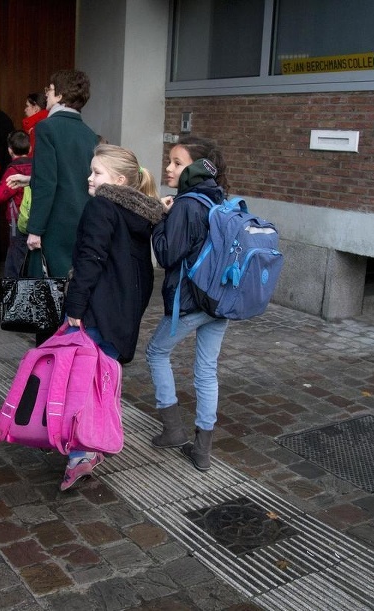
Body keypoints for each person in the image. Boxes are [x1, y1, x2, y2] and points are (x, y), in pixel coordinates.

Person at [59, 144, 163, 491]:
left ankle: (81, 453)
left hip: (97, 309)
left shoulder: (102, 205)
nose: (90, 178)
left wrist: (74, 307)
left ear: (118, 180)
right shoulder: (139, 214)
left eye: (97, 172)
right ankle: (93, 441)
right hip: (122, 310)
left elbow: (91, 259)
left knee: (82, 382)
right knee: (101, 381)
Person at [146, 136, 231, 472]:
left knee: (156, 351)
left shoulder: (186, 204)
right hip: (219, 301)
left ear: (195, 167)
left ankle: (173, 429)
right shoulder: (217, 198)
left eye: (177, 163)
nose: (169, 168)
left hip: (192, 301)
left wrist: (159, 219)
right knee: (206, 371)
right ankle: (202, 450)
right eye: (169, 160)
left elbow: (167, 254)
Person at [16, 69, 98, 279]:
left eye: (50, 89)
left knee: (44, 292)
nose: (47, 95)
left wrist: (35, 229)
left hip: (53, 222)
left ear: (60, 95)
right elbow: (71, 173)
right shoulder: (89, 133)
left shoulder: (47, 128)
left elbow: (47, 181)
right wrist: (29, 180)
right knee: (71, 285)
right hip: (81, 218)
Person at [0, 131, 33, 280]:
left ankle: (12, 299)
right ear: (29, 149)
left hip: (18, 219)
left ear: (10, 150)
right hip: (35, 218)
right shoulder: (37, 167)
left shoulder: (13, 171)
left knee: (15, 258)